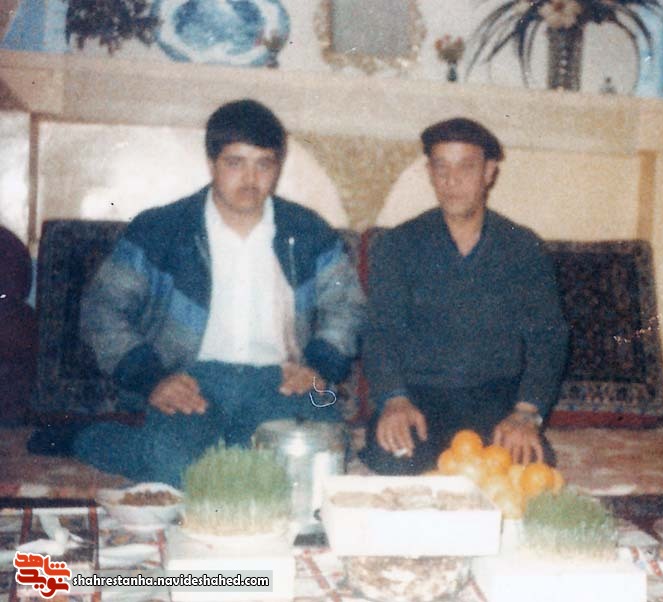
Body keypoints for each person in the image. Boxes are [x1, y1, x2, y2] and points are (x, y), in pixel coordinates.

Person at [29, 99, 365, 486]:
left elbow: (348, 307)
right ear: (211, 163)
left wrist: (318, 366)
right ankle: (90, 438)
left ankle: (220, 448)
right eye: (235, 163)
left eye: (264, 164)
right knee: (175, 465)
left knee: (324, 455)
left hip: (286, 381)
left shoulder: (308, 231)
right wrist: (153, 379)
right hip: (191, 379)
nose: (251, 179)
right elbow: (103, 309)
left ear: (278, 167)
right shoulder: (160, 229)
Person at [360, 117, 568, 475]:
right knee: (394, 459)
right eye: (441, 167)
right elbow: (380, 331)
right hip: (419, 397)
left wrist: (526, 413)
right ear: (430, 172)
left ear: (489, 172)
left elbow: (548, 337)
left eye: (466, 167)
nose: (451, 181)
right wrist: (394, 399)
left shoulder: (522, 247)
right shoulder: (398, 245)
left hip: (495, 400)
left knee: (524, 469)